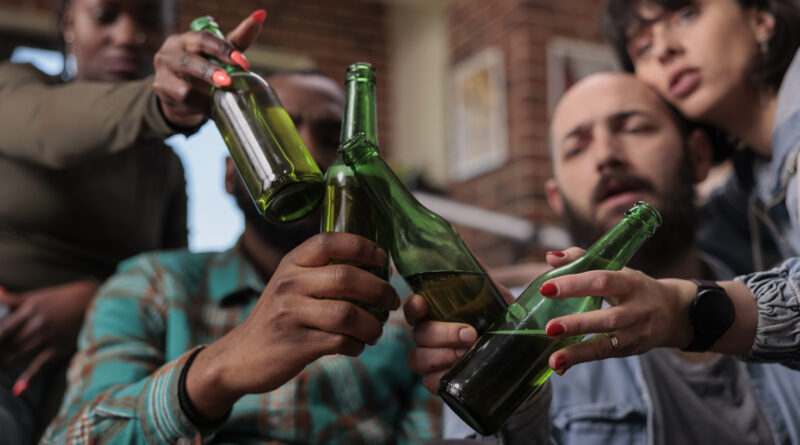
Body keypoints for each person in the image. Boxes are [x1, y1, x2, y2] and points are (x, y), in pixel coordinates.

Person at [40, 70, 440, 444]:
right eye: (279, 135)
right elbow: (71, 436)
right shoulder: (151, 284)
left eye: (332, 138)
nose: (308, 156)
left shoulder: (406, 309)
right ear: (230, 175)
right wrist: (216, 370)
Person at [406, 72, 800, 444]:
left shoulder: (776, 292)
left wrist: (691, 312)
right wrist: (513, 399)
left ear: (698, 156)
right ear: (556, 198)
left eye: (634, 128)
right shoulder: (521, 327)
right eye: (577, 147)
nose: (606, 156)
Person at [0, 1, 265, 442]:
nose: (127, 36)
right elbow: (49, 130)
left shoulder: (164, 169)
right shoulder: (14, 86)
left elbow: (171, 283)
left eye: (148, 21)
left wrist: (92, 301)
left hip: (96, 349)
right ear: (69, 23)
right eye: (105, 16)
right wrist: (161, 105)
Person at [535, 0, 800, 372]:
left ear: (761, 18)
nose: (662, 50)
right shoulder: (752, 183)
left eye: (687, 15)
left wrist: (683, 312)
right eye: (642, 47)